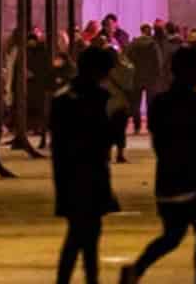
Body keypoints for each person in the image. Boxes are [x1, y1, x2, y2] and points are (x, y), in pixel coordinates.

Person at [120, 47, 196, 284]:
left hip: (168, 178)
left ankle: (137, 269)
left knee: (173, 235)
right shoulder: (194, 103)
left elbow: (159, 143)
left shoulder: (161, 102)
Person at [51, 46, 121, 284]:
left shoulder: (64, 97)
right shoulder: (94, 98)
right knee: (84, 234)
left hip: (71, 173)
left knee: (84, 233)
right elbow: (100, 137)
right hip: (87, 173)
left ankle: (86, 278)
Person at [124, 24, 162, 136]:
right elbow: (158, 62)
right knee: (151, 104)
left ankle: (137, 126)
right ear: (150, 31)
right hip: (151, 78)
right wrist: (157, 75)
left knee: (136, 103)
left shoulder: (133, 44)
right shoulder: (154, 45)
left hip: (136, 77)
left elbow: (127, 59)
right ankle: (150, 127)